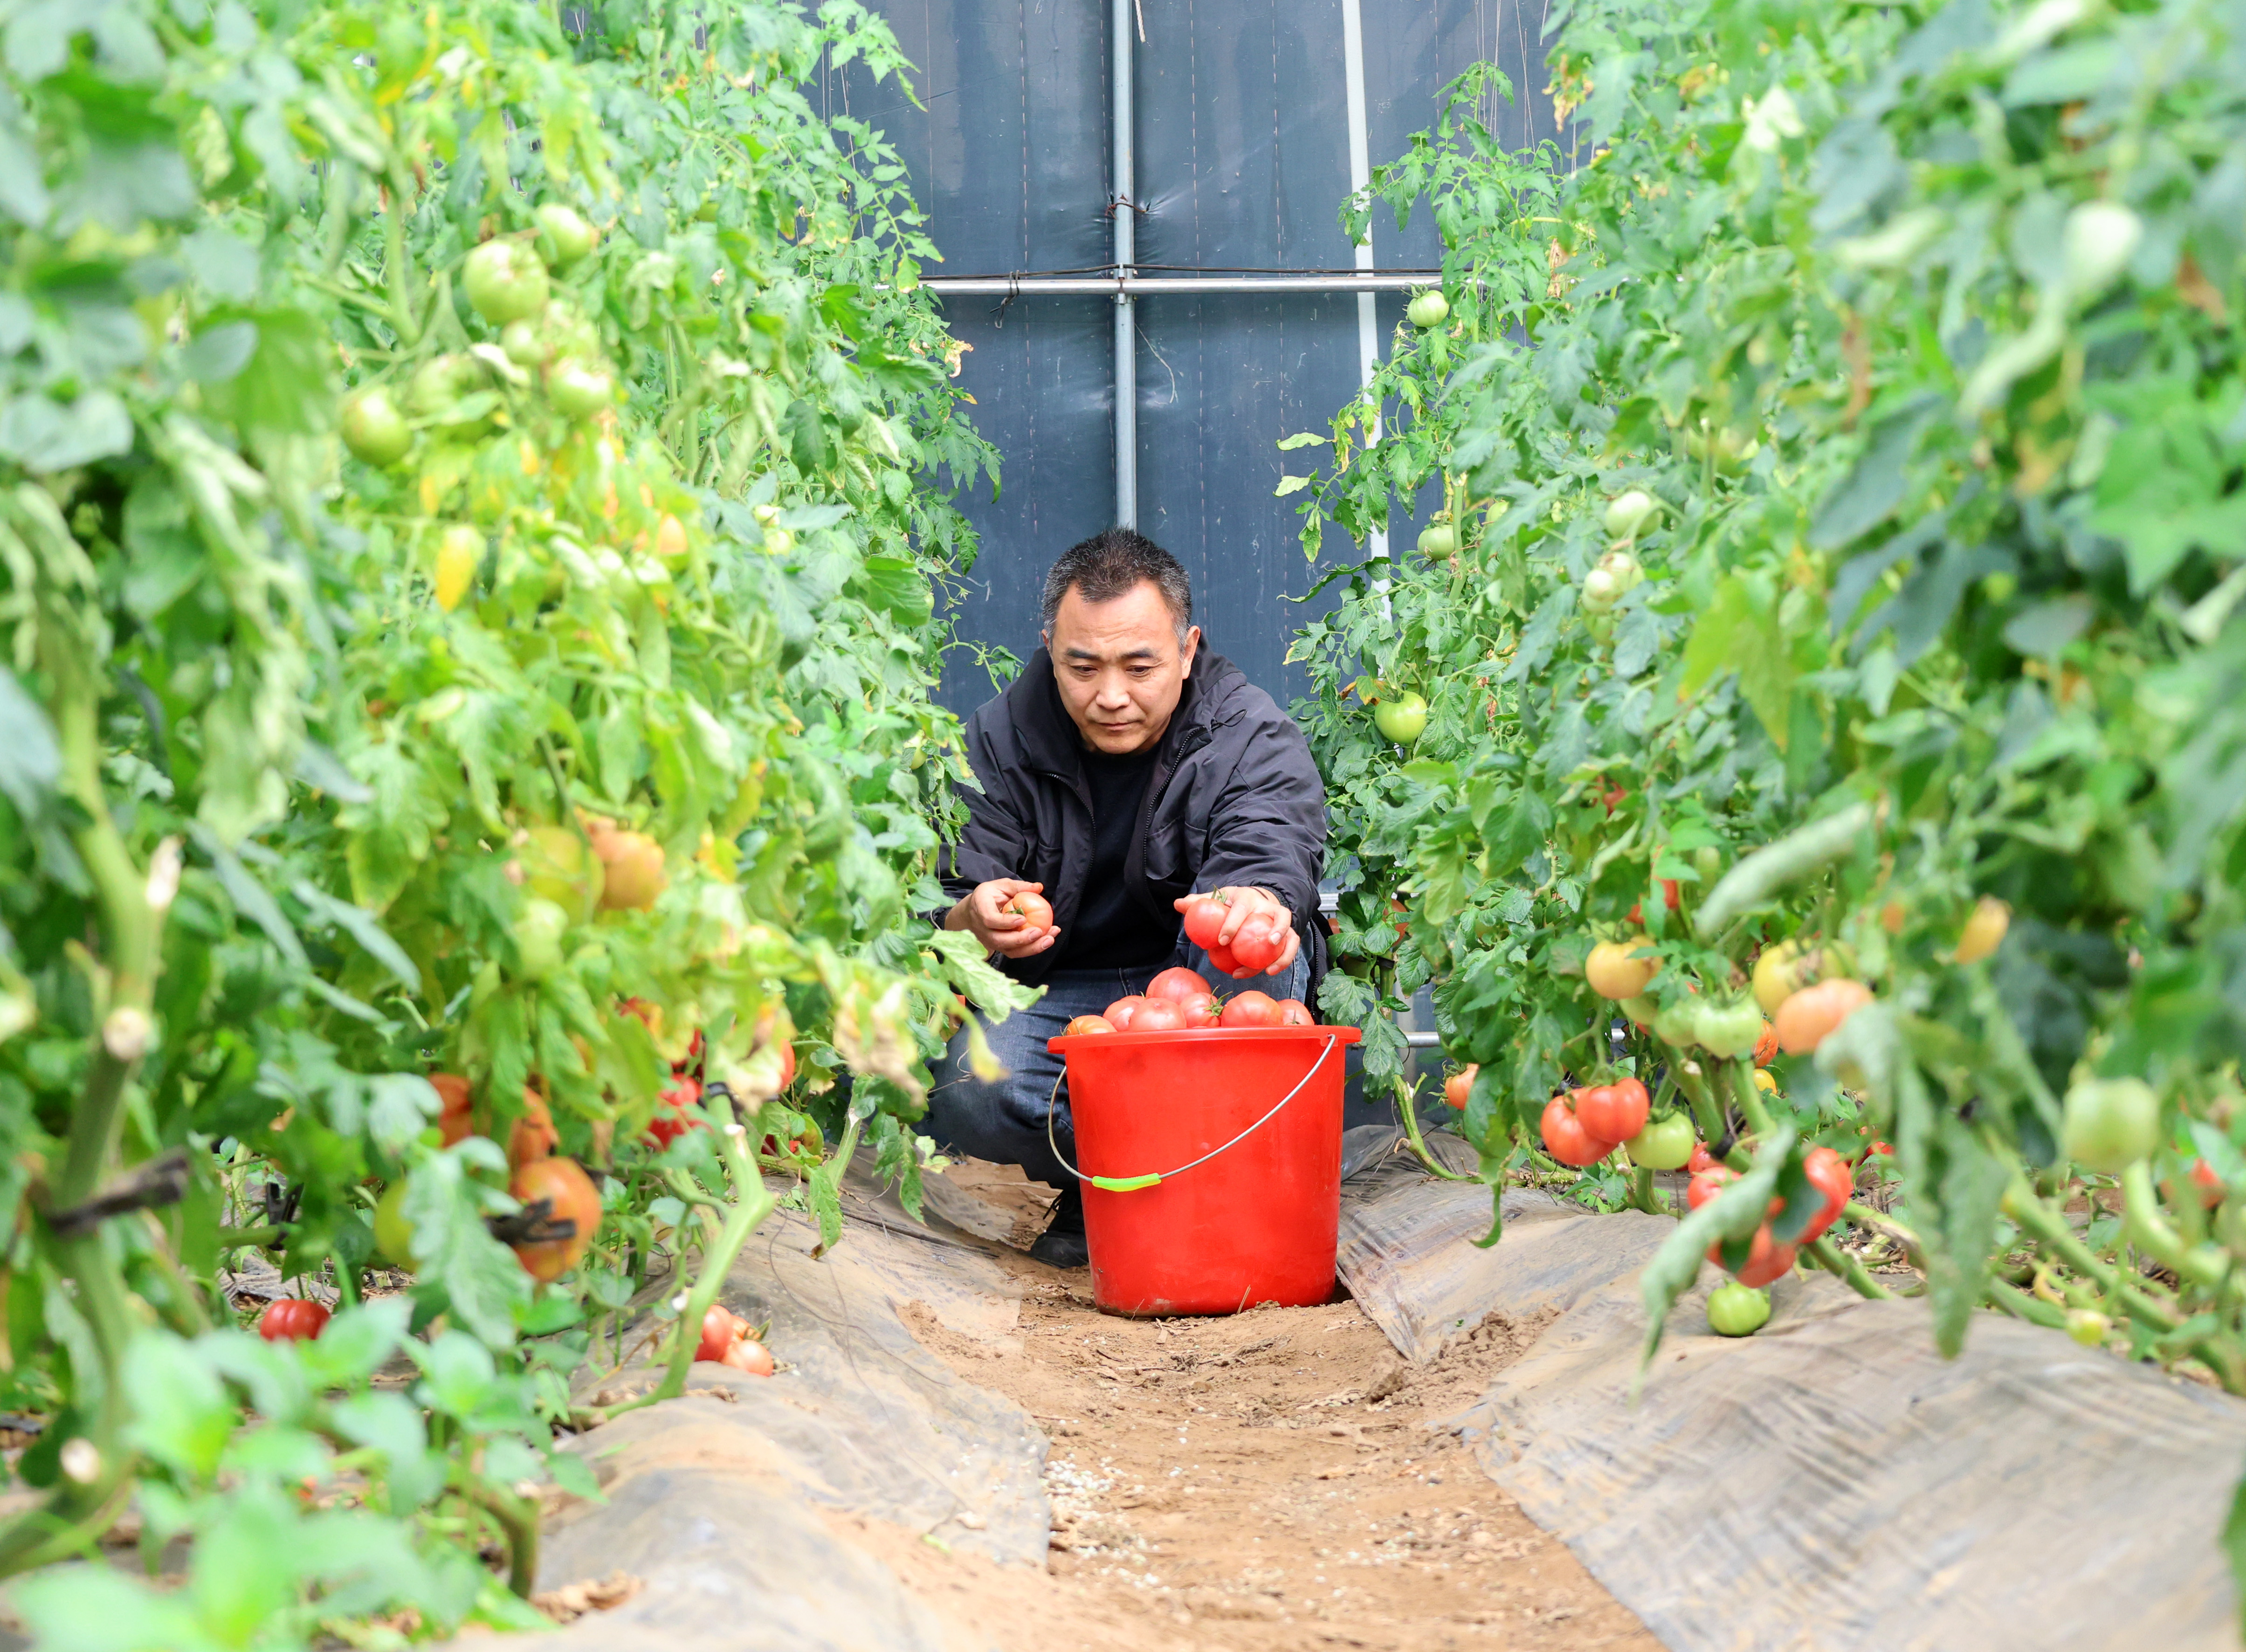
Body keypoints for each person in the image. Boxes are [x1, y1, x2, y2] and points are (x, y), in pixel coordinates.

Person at [927, 527, 1328, 1267]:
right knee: (968, 1087)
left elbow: (1270, 838)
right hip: (1059, 991)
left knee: (1255, 972)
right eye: (1082, 667)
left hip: (1198, 978)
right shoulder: (999, 740)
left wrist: (1256, 900)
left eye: (1139, 667)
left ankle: (1197, 1195)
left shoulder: (1246, 733)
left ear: (1186, 649)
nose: (1110, 697)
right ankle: (1115, 1183)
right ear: (1050, 649)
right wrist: (970, 919)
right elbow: (950, 892)